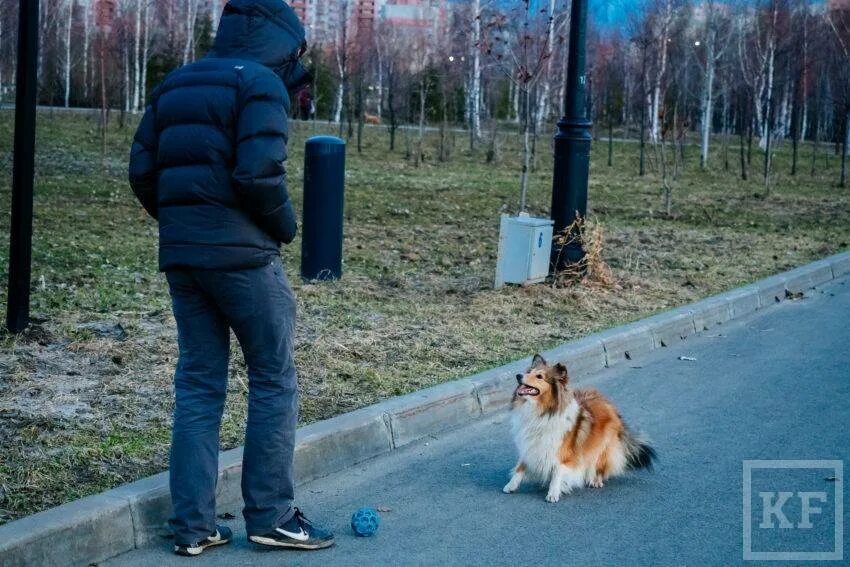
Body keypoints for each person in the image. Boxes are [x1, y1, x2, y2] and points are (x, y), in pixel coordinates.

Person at [128, 0, 333, 557]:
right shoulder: (260, 84)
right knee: (274, 378)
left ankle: (192, 526)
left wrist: (184, 223)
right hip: (244, 261)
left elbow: (142, 171)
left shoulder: (177, 82)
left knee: (198, 385)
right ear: (279, 41)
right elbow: (258, 172)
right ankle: (271, 514)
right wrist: (286, 230)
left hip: (184, 260)